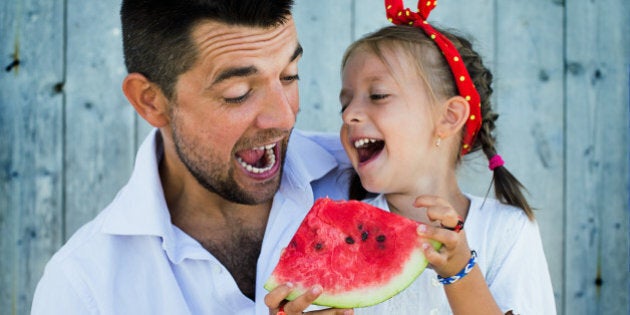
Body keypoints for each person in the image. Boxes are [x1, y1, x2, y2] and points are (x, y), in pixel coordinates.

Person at [31, 1, 354, 314]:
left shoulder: (375, 180)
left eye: (289, 75)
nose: (284, 118)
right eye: (238, 92)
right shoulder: (84, 289)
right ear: (151, 102)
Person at [333, 0, 557, 314]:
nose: (350, 115)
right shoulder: (342, 233)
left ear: (449, 117)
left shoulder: (506, 230)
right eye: (344, 104)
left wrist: (460, 271)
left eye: (378, 95)